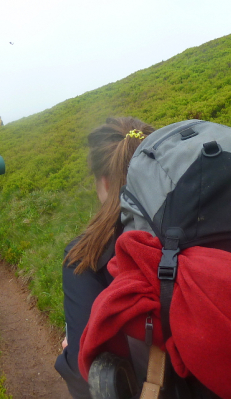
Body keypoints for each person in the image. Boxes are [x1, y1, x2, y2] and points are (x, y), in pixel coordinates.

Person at [54, 117, 155, 398]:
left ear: (106, 182)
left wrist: (73, 353)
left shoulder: (87, 255)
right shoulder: (202, 232)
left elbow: (86, 379)